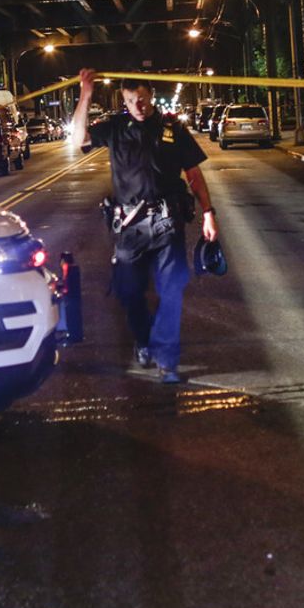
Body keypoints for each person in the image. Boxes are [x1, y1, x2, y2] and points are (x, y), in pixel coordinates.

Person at [70, 68, 218, 384]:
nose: (138, 106)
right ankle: (143, 339)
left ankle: (167, 361)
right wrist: (86, 93)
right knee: (129, 292)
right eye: (131, 100)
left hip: (167, 222)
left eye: (142, 99)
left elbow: (193, 174)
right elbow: (78, 138)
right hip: (130, 227)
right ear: (124, 100)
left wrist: (208, 212)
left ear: (150, 96)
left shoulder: (172, 129)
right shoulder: (115, 128)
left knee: (172, 289)